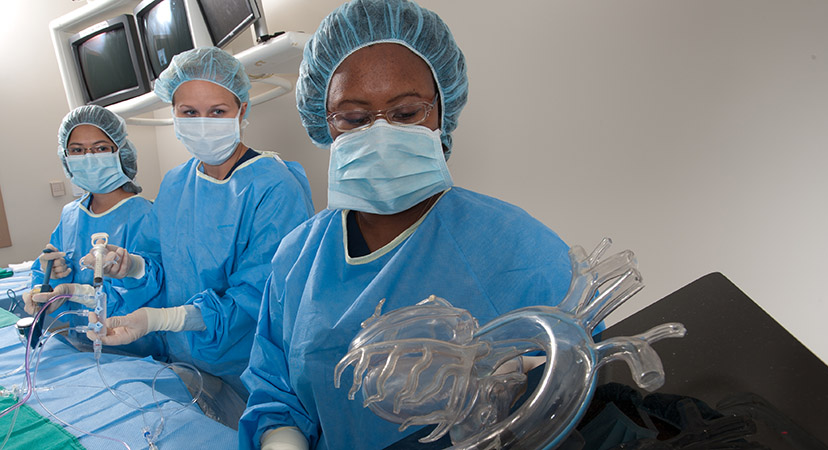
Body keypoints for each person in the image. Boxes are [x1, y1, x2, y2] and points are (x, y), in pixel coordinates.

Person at [237, 1, 575, 449]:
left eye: (406, 113)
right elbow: (277, 394)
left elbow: (573, 388)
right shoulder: (297, 260)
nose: (380, 134)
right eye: (354, 119)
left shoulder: (519, 251)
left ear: (440, 114)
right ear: (325, 126)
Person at [85, 47, 314, 397]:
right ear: (174, 114)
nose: (203, 122)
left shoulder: (275, 186)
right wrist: (131, 267)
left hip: (253, 370)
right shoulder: (176, 182)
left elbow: (260, 297)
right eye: (189, 112)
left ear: (242, 111)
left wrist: (162, 319)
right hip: (185, 362)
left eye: (217, 111)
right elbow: (163, 265)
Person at [24, 105, 162, 355]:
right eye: (77, 150)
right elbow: (47, 271)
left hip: (138, 353)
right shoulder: (70, 216)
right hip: (84, 348)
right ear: (65, 157)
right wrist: (49, 286)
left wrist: (76, 291)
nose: (89, 157)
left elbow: (154, 291)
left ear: (121, 152)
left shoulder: (147, 215)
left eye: (100, 148)